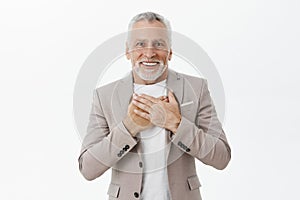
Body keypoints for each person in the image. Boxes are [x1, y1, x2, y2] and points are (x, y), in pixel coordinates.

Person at [78, 12, 231, 200]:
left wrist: (176, 124)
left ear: (170, 51)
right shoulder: (105, 96)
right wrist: (129, 127)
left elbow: (222, 157)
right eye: (140, 44)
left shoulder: (196, 89)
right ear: (127, 51)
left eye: (159, 44)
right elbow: (88, 168)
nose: (149, 53)